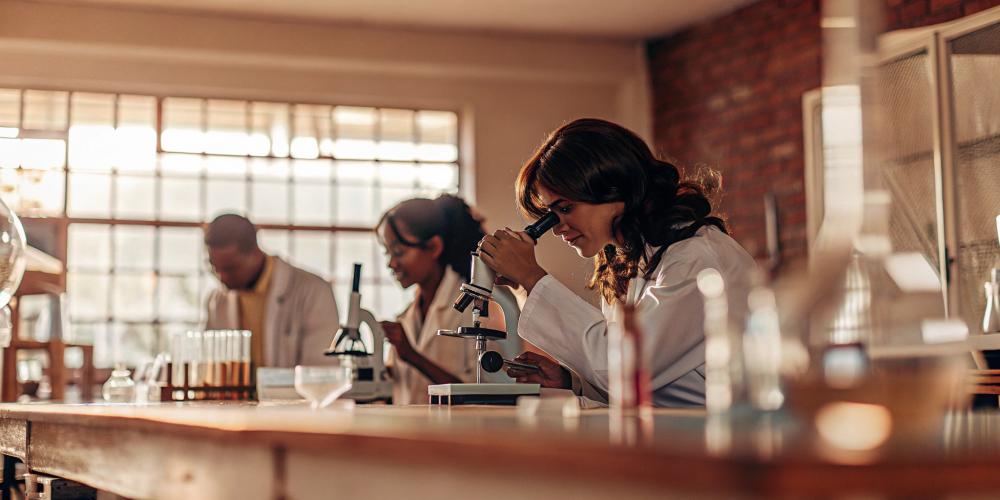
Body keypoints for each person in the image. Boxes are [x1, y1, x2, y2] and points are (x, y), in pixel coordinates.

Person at [478, 118, 756, 407]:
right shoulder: (636, 260)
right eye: (550, 214)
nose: (557, 227)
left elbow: (625, 366)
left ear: (615, 191)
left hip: (731, 441)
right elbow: (648, 382)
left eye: (565, 208)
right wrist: (571, 381)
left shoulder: (697, 260)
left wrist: (531, 277)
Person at [377, 195, 515, 404]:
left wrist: (413, 356)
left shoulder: (481, 305)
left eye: (399, 251)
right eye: (387, 252)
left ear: (433, 247)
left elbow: (494, 396)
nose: (391, 263)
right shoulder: (408, 315)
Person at [204, 214, 339, 368]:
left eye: (230, 268)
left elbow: (321, 373)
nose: (221, 277)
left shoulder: (314, 292)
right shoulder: (217, 301)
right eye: (215, 268)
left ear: (255, 253)